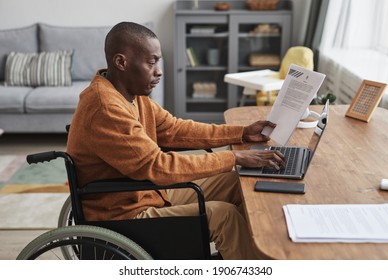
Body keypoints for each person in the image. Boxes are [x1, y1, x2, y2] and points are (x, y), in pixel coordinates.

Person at [67, 22, 285, 260]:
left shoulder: (129, 95)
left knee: (236, 183)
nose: (159, 71)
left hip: (148, 194)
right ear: (121, 62)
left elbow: (174, 129)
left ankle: (247, 255)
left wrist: (241, 133)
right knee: (224, 216)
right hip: (124, 215)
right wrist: (233, 156)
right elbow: (159, 167)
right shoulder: (106, 107)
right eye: (151, 63)